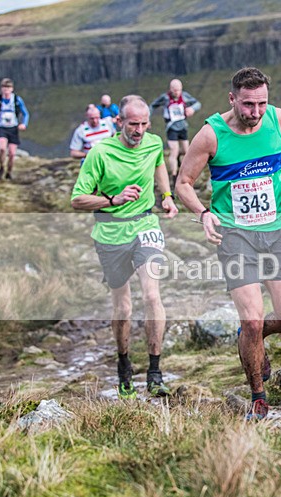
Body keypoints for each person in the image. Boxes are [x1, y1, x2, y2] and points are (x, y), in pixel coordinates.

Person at [175, 67, 281, 421]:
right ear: (232, 99)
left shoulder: (278, 119)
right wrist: (204, 213)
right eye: (248, 104)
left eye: (261, 103)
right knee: (251, 320)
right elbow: (184, 183)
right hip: (235, 234)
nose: (255, 112)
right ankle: (258, 397)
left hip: (279, 228)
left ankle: (252, 336)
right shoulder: (210, 135)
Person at [71, 95, 179, 400]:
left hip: (146, 226)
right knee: (124, 306)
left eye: (144, 124)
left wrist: (167, 196)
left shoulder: (153, 142)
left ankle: (155, 372)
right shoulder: (100, 153)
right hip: (110, 233)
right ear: (119, 122)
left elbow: (158, 164)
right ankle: (123, 364)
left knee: (151, 294)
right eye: (134, 124)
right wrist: (112, 200)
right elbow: (77, 199)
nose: (140, 130)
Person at [150, 79, 202, 183]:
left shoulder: (185, 96)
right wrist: (146, 118)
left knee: (187, 151)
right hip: (171, 128)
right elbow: (152, 106)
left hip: (183, 127)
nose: (177, 93)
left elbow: (198, 104)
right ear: (170, 89)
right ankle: (174, 176)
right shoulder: (165, 98)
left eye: (179, 90)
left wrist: (192, 109)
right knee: (174, 151)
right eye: (175, 90)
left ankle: (187, 173)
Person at [0, 78, 29, 181]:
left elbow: (25, 113)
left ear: (12, 89)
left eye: (8, 88)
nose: (6, 90)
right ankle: (1, 166)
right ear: (1, 89)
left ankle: (9, 172)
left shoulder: (17, 100)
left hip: (13, 128)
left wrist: (24, 124)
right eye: (4, 88)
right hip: (1, 127)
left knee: (12, 153)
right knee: (2, 148)